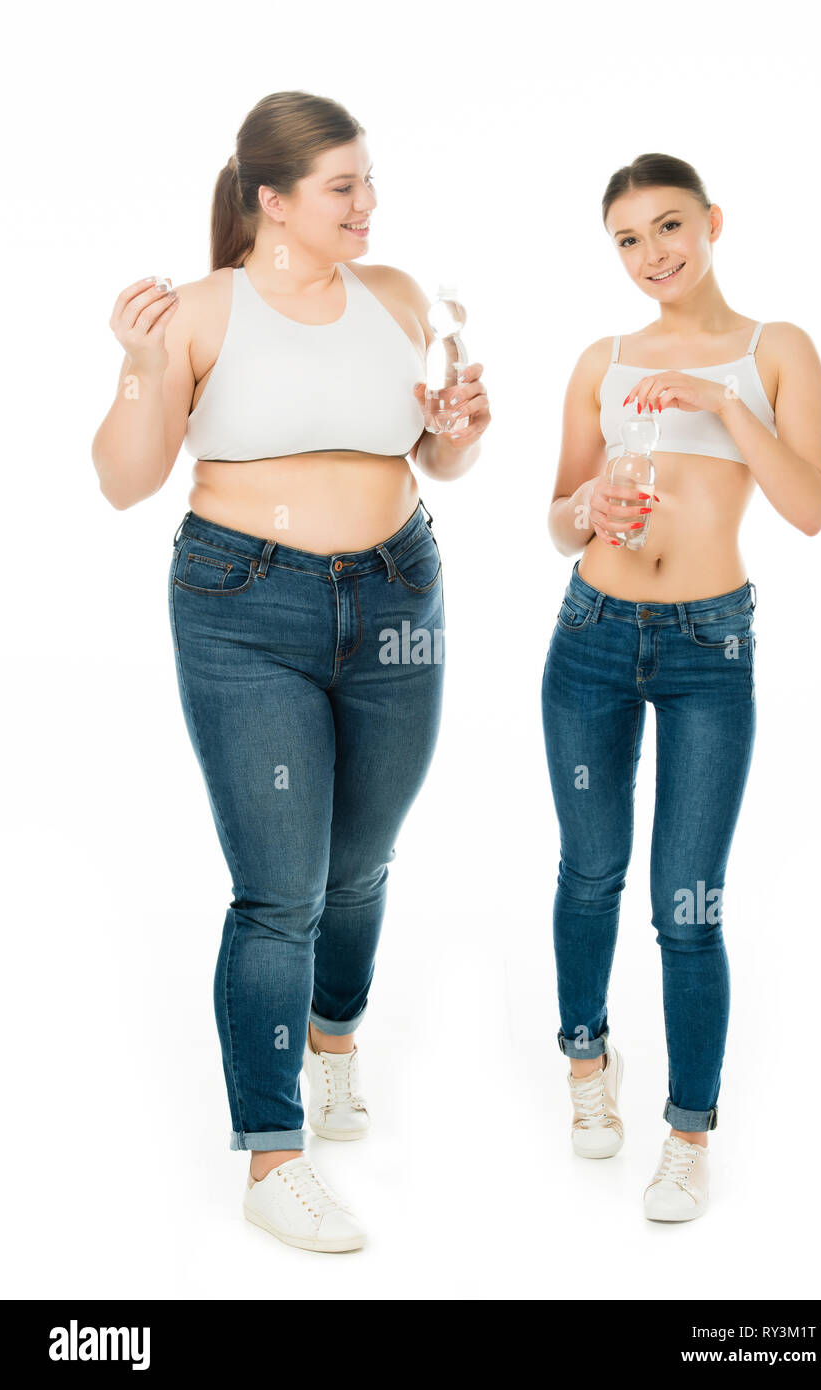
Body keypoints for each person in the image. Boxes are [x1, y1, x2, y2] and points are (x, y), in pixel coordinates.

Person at [92, 90, 490, 1253]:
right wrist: (137, 367)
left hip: (398, 592)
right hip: (243, 609)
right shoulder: (196, 312)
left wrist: (462, 427)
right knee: (281, 892)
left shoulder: (400, 298)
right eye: (343, 188)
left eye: (369, 182)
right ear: (272, 199)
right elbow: (124, 480)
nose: (369, 205)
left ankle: (334, 1043)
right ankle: (273, 1157)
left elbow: (439, 455)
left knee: (359, 864)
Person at [541, 152, 821, 1221]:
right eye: (627, 240)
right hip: (592, 635)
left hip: (712, 649)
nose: (651, 255)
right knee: (590, 872)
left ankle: (688, 1133)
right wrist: (590, 516)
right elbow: (555, 514)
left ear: (713, 222)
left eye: (669, 228)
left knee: (688, 905)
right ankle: (586, 1066)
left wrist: (723, 402)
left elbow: (810, 505)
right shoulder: (601, 359)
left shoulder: (776, 350)